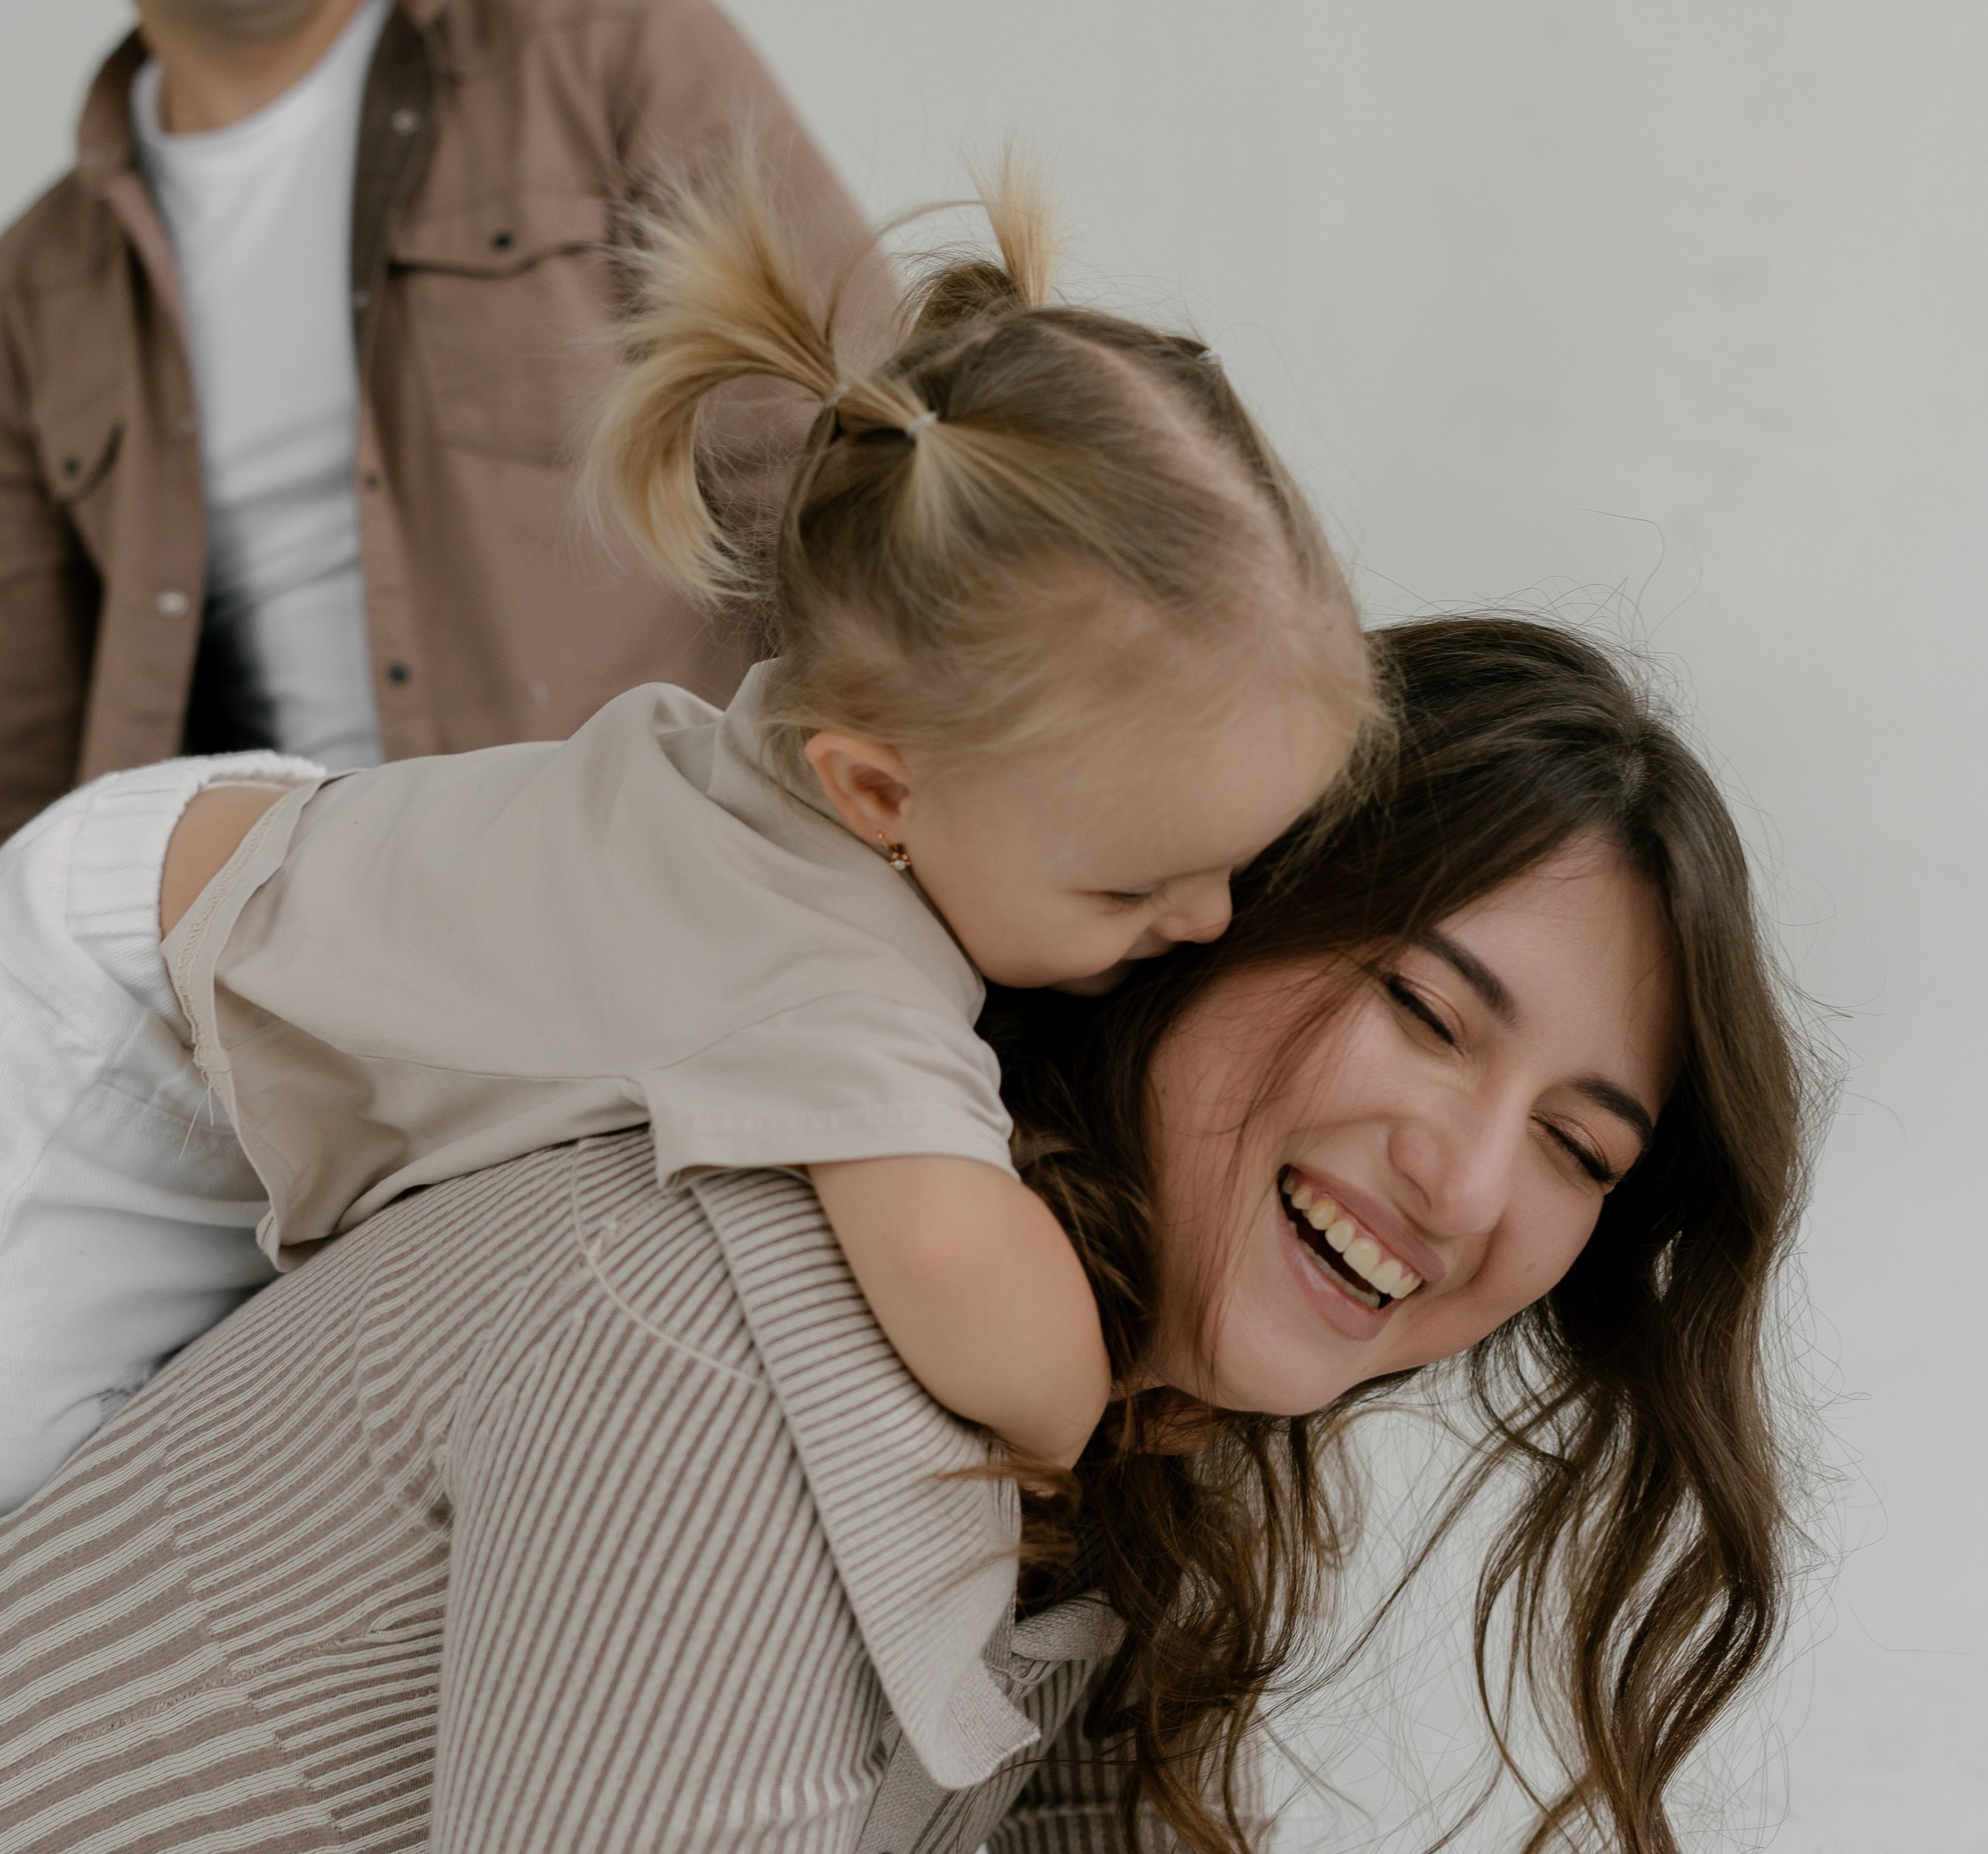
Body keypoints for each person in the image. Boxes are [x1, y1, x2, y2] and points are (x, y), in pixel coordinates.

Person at [0, 617, 1956, 1854]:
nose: (1457, 1186)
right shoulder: (725, 1343)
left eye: (1575, 1146)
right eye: (1425, 1011)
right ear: (1201, 917)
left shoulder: (1122, 1393)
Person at [0, 173, 1373, 1507]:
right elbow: (975, 1299)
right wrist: (1112, 1397)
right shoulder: (816, 964)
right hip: (126, 1022)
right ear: (879, 797)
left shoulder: (853, 750)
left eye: (1234, 869)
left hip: (269, 893)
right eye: (1134, 886)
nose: (1203, 921)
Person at [0, 0, 883, 844]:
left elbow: (879, 524)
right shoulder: (32, 288)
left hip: (667, 920)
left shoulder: (617, 65)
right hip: (254, 984)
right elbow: (24, 756)